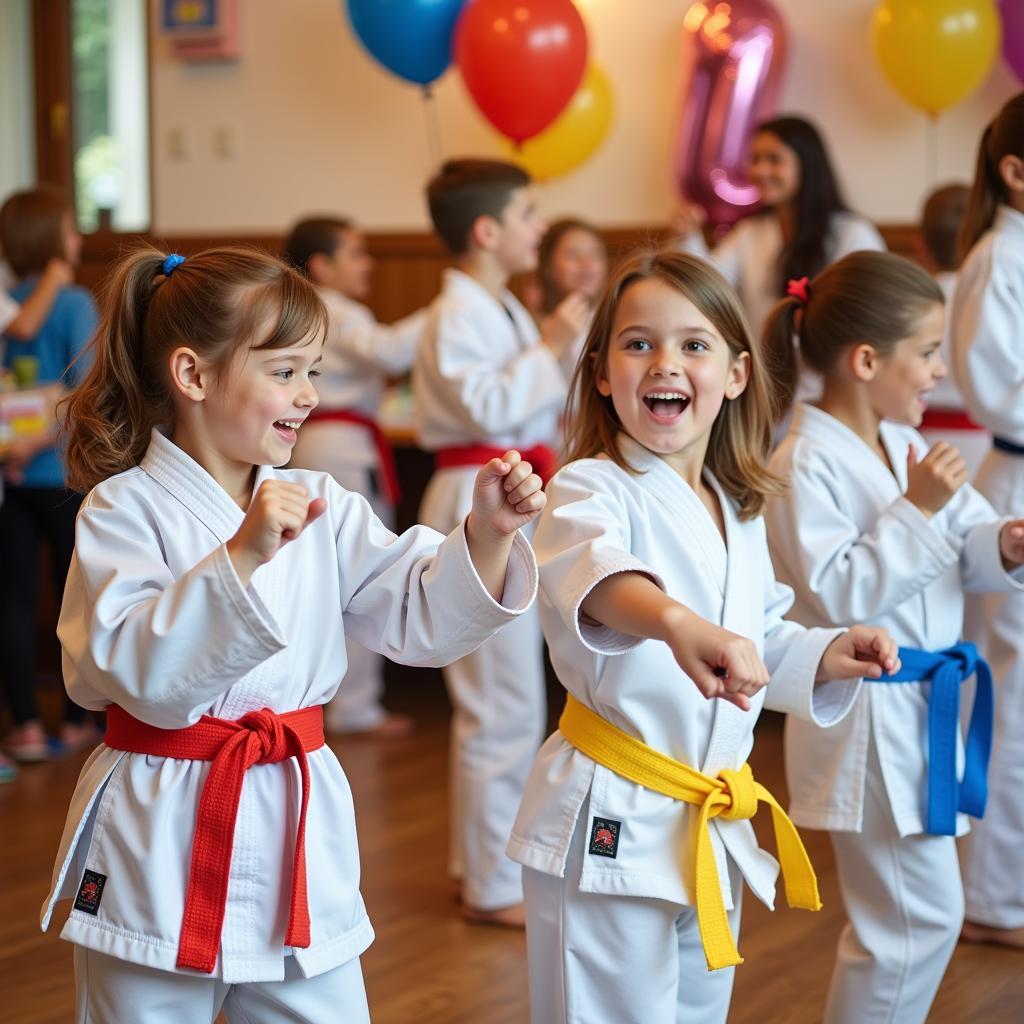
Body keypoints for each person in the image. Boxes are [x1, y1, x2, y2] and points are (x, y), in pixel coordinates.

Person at [40, 245, 545, 1022]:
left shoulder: (321, 503)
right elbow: (125, 667)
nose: (308, 395)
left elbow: (414, 608)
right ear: (194, 376)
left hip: (290, 818)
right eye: (284, 371)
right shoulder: (123, 509)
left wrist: (485, 537)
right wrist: (239, 557)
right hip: (158, 824)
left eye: (313, 370)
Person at [507, 249, 897, 1024]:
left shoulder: (734, 504)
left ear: (738, 374)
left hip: (707, 822)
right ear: (601, 373)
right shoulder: (589, 487)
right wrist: (676, 623)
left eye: (693, 345)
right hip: (611, 816)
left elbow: (753, 640)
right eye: (638, 343)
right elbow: (600, 578)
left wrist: (824, 654)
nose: (666, 363)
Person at [763, 250, 1024, 1023]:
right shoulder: (803, 460)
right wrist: (915, 509)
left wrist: (1005, 544)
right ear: (867, 359)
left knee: (913, 922)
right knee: (909, 925)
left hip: (919, 708)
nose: (941, 371)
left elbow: (966, 548)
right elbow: (840, 590)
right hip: (868, 712)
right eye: (929, 352)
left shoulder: (899, 444)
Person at [413, 158, 588, 927]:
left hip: (509, 496)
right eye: (527, 213)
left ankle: (472, 865)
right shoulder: (457, 314)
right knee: (500, 702)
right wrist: (550, 347)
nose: (538, 228)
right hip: (476, 499)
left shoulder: (499, 308)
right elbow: (487, 403)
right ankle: (490, 882)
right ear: (487, 231)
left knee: (509, 697)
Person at [283, 215, 427, 738]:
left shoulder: (306, 309)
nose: (367, 264)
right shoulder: (332, 307)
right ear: (322, 265)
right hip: (340, 449)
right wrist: (449, 309)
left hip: (327, 443)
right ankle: (355, 705)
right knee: (357, 570)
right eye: (356, 254)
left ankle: (339, 701)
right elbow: (389, 351)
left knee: (329, 569)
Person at [951, 91, 1024, 951]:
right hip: (1013, 483)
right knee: (1013, 697)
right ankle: (997, 896)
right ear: (1015, 172)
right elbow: (997, 387)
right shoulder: (995, 261)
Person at [0, 187, 98, 765]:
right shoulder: (76, 302)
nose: (79, 240)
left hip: (11, 475)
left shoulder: (9, 304)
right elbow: (88, 387)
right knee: (77, 597)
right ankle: (80, 719)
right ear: (52, 238)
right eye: (71, 228)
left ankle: (27, 725)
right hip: (65, 474)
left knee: (13, 600)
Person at [673, 115, 885, 345]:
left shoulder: (852, 234)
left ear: (807, 165)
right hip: (765, 373)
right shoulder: (750, 232)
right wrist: (687, 237)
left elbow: (869, 313)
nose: (760, 171)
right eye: (755, 159)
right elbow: (707, 284)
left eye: (774, 159)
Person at [916, 184, 989, 477]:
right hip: (989, 447)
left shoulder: (909, 307)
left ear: (920, 246)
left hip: (923, 449)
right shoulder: (994, 299)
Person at [531, 218, 609, 383]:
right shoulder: (533, 325)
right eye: (572, 255)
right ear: (547, 266)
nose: (586, 263)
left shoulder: (613, 318)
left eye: (595, 254)